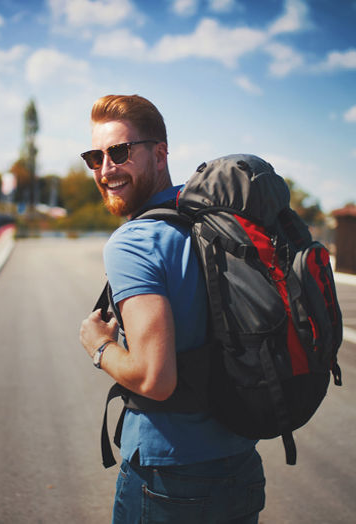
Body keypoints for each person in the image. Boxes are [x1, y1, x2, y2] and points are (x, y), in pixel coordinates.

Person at [78, 94, 265, 523]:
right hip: (240, 465)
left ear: (160, 153)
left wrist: (99, 346)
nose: (106, 169)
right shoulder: (209, 219)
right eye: (95, 156)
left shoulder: (133, 242)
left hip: (169, 480)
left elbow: (154, 378)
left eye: (120, 152)